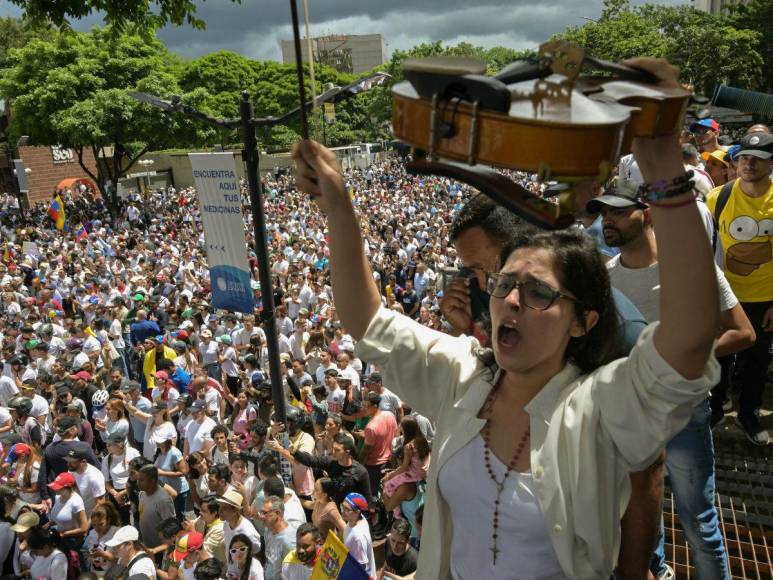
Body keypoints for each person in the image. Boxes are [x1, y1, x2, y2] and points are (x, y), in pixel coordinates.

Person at [291, 55, 722, 578]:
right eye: (504, 285)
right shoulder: (462, 374)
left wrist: (661, 165)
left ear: (583, 321)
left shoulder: (601, 405)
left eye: (538, 293)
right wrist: (338, 204)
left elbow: (692, 337)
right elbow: (367, 321)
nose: (512, 301)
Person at [588, 179, 756, 579]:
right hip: (629, 415)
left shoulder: (691, 266)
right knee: (643, 510)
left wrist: (676, 354)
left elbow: (743, 332)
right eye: (603, 213)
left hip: (682, 412)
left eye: (616, 211)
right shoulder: (605, 278)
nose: (606, 221)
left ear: (646, 214)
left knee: (699, 520)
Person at [705, 131, 773, 444]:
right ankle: (715, 408)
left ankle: (748, 413)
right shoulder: (717, 197)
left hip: (765, 297)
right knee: (718, 355)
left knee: (756, 359)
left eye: (758, 159)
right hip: (724, 296)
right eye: (744, 157)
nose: (749, 164)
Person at [382, 416, 430, 514]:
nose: (399, 429)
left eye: (401, 427)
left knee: (389, 485)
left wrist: (390, 476)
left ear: (406, 430)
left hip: (413, 474)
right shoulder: (423, 441)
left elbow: (404, 467)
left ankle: (397, 513)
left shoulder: (409, 447)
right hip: (423, 475)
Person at [136, 464, 176, 551]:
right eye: (138, 479)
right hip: (147, 545)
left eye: (141, 480)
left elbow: (171, 527)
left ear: (152, 480)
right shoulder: (142, 494)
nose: (137, 483)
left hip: (159, 550)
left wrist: (159, 549)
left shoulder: (163, 500)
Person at [47, 471, 89, 552]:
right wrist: (49, 524)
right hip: (60, 538)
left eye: (58, 487)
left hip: (72, 541)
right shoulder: (58, 497)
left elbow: (84, 528)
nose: (55, 489)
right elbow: (58, 517)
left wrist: (64, 534)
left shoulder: (76, 503)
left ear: (67, 488)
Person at [259, 494, 297, 580]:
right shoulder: (268, 530)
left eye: (264, 513)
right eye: (261, 512)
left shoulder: (288, 542)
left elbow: (293, 573)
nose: (261, 516)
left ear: (277, 513)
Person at [216, 490, 261, 561]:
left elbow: (256, 552)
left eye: (224, 508)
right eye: (220, 506)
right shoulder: (226, 523)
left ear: (235, 510)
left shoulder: (247, 532)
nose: (220, 511)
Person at [341, 493, 377, 579]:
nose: (342, 511)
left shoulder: (357, 537)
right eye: (342, 506)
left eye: (346, 509)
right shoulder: (359, 519)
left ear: (357, 512)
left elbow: (360, 569)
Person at [83, 501, 121, 576]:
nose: (97, 528)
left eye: (101, 524)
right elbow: (85, 551)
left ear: (108, 520)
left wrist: (104, 555)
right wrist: (87, 555)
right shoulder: (92, 533)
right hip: (95, 575)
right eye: (94, 525)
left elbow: (122, 561)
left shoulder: (116, 533)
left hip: (111, 576)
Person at [65, 447, 106, 514]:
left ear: (83, 462)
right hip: (74, 514)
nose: (68, 464)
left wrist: (87, 523)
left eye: (72, 462)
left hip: (89, 516)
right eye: (68, 461)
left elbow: (100, 504)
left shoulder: (95, 477)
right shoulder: (71, 470)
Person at [310, 477, 345, 542]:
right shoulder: (319, 502)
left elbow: (344, 529)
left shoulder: (331, 510)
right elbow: (309, 505)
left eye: (316, 489)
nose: (313, 491)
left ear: (324, 495)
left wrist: (337, 542)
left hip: (328, 548)